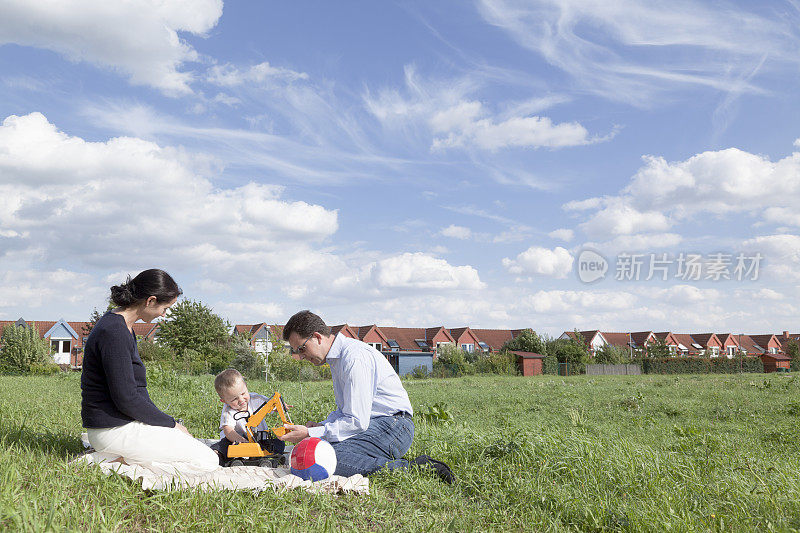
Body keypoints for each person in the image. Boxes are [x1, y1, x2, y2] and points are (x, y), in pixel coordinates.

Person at [279, 310, 454, 483]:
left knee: (329, 458)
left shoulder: (353, 358)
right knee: (321, 450)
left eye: (302, 348)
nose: (300, 356)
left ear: (317, 337)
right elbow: (346, 412)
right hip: (377, 425)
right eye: (296, 351)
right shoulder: (337, 360)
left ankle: (417, 468)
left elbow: (356, 421)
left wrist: (310, 432)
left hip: (393, 426)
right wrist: (321, 427)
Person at [80, 269, 218, 474]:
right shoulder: (114, 332)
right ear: (150, 301)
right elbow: (126, 398)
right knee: (208, 461)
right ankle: (110, 461)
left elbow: (135, 391)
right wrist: (170, 424)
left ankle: (119, 457)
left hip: (120, 424)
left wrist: (165, 424)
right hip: (112, 430)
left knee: (188, 442)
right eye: (165, 308)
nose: (164, 315)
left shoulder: (122, 325)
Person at [209, 368, 284, 465]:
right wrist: (241, 441)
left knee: (279, 443)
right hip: (236, 439)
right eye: (234, 399)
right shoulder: (228, 410)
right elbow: (228, 430)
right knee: (223, 445)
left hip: (260, 438)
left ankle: (272, 457)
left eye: (243, 393)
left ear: (246, 386)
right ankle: (217, 455)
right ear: (224, 401)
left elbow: (272, 404)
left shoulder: (256, 399)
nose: (241, 400)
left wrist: (279, 406)